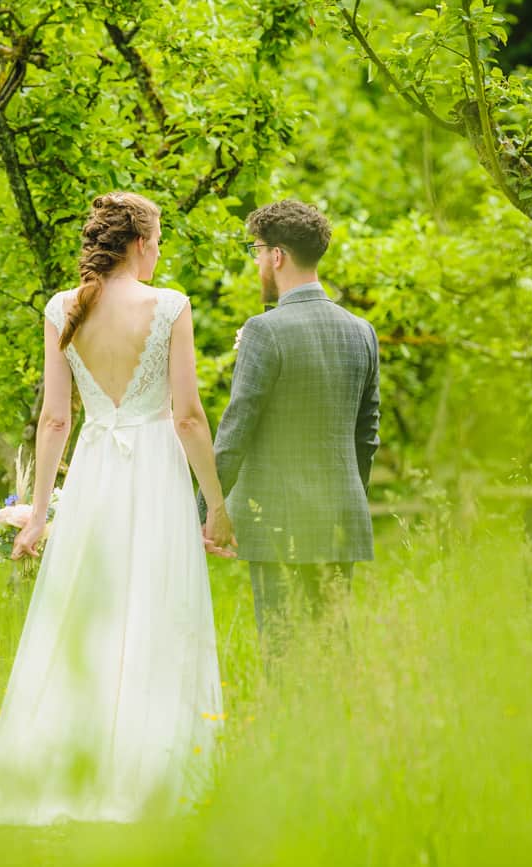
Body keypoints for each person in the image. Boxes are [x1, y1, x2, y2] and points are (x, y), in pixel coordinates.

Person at [0, 192, 233, 825]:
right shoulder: (170, 307)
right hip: (156, 472)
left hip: (97, 473)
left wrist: (42, 512)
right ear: (139, 243)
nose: (158, 254)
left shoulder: (62, 309)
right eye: (157, 241)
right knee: (156, 610)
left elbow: (55, 419)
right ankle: (149, 776)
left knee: (84, 615)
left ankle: (66, 767)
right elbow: (188, 417)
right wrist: (215, 505)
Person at [210, 199, 380, 663]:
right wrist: (344, 496)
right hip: (340, 519)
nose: (258, 262)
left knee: (283, 657)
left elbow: (236, 429)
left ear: (277, 255)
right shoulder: (362, 331)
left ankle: (289, 732)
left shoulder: (264, 331)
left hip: (277, 521)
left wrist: (207, 507)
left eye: (257, 251)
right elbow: (368, 436)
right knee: (333, 653)